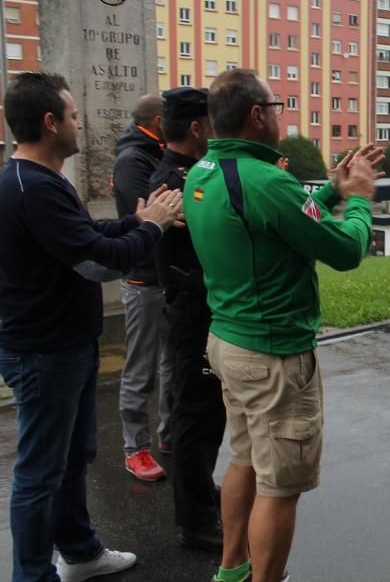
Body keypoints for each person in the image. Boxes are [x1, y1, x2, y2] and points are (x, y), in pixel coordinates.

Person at [184, 68, 383, 582]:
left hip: (229, 342)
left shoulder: (205, 171)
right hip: (273, 356)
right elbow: (343, 250)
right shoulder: (268, 180)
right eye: (275, 108)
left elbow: (274, 223)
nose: (279, 116)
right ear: (257, 116)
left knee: (244, 459)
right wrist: (359, 198)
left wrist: (332, 193)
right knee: (279, 485)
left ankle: (231, 569)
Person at [0, 72, 183, 581]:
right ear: (50, 122)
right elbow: (99, 263)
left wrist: (134, 220)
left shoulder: (41, 180)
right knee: (39, 473)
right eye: (75, 115)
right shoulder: (31, 187)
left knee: (71, 458)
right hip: (44, 352)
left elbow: (85, 234)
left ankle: (79, 553)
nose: (82, 124)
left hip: (66, 345)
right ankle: (32, 575)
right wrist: (152, 227)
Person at [149, 87, 226, 552]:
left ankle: (200, 492)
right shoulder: (177, 184)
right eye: (211, 123)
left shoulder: (181, 176)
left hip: (193, 310)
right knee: (194, 417)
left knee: (202, 413)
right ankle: (195, 522)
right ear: (197, 128)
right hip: (193, 313)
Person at [112, 93, 173, 482]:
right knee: (140, 368)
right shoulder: (132, 160)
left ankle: (168, 436)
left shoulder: (155, 152)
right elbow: (149, 211)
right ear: (157, 120)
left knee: (171, 364)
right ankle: (135, 449)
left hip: (164, 275)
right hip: (143, 278)